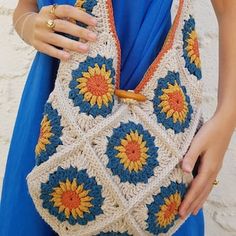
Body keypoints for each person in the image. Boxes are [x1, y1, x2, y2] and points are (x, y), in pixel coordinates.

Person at [0, 0, 235, 235]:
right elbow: (26, 7)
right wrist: (29, 26)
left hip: (158, 129)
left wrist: (226, 121)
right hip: (53, 113)